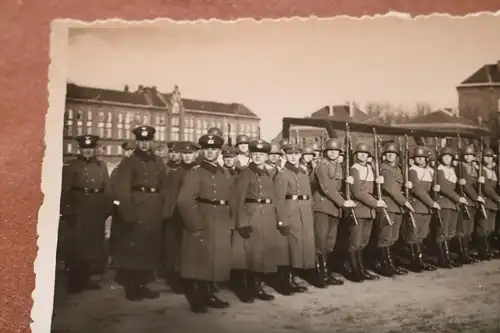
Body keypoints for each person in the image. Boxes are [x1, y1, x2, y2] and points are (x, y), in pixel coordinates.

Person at [176, 134, 234, 313]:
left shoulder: (224, 172)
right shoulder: (197, 172)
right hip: (203, 219)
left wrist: (229, 222)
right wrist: (196, 224)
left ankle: (208, 294)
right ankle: (197, 299)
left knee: (214, 259)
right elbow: (184, 201)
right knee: (199, 261)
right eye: (207, 149)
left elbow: (230, 198)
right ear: (202, 150)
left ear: (219, 151)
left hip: (220, 220)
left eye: (214, 149)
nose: (210, 152)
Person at [111, 126, 168, 301]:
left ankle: (142, 285)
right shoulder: (129, 162)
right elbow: (121, 190)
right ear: (137, 141)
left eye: (147, 141)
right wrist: (128, 214)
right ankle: (131, 287)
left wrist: (163, 210)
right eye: (141, 141)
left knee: (148, 250)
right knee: (133, 251)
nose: (144, 144)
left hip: (153, 211)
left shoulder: (158, 161)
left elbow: (164, 186)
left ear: (152, 141)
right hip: (136, 210)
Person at [60, 135, 112, 293]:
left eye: (90, 149)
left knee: (92, 244)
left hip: (96, 208)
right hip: (79, 208)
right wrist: (68, 211)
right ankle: (74, 281)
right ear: (80, 149)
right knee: (77, 246)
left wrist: (107, 208)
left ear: (94, 149)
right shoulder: (71, 166)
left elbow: (107, 188)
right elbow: (65, 190)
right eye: (85, 149)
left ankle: (86, 279)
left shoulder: (101, 166)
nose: (88, 152)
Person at [231, 139, 278, 303]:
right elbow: (238, 200)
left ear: (266, 156)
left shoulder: (269, 173)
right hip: (251, 217)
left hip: (266, 218)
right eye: (255, 154)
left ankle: (257, 287)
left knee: (260, 255)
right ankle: (245, 289)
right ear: (251, 155)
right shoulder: (245, 174)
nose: (258, 157)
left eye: (262, 154)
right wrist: (241, 222)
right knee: (247, 256)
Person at [274, 143, 316, 295]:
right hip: (290, 213)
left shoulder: (303, 173)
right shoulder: (282, 174)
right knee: (287, 249)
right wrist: (281, 220)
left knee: (298, 249)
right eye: (290, 154)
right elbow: (278, 200)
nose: (293, 156)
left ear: (300, 155)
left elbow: (309, 196)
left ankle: (291, 279)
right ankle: (283, 282)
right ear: (285, 155)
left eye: (296, 154)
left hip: (303, 213)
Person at [312, 138, 353, 287]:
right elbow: (327, 188)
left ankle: (327, 274)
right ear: (325, 152)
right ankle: (319, 276)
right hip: (322, 207)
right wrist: (344, 203)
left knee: (330, 243)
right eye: (330, 150)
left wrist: (348, 182)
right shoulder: (322, 166)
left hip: (334, 209)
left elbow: (339, 187)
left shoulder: (339, 167)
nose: (333, 153)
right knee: (320, 243)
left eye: (336, 151)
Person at [162, 141, 199, 293]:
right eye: (184, 153)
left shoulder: (200, 171)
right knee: (176, 249)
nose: (187, 156)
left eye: (190, 153)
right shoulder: (176, 173)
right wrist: (169, 215)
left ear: (196, 154)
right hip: (178, 216)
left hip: (197, 215)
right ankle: (176, 279)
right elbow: (170, 196)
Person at [373, 142, 412, 277]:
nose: (390, 155)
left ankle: (391, 264)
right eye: (387, 153)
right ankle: (385, 265)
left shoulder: (398, 169)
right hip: (389, 206)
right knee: (385, 236)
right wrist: (405, 202)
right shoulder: (384, 168)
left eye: (393, 153)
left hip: (397, 208)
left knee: (393, 237)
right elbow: (390, 188)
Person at [348, 143, 385, 282]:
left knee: (364, 241)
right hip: (359, 209)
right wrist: (375, 203)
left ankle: (361, 269)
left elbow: (375, 190)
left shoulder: (370, 168)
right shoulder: (354, 169)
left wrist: (379, 181)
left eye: (365, 153)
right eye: (360, 153)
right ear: (356, 155)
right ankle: (355, 270)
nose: (363, 155)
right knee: (355, 242)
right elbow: (357, 192)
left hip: (369, 211)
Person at [404, 146, 439, 272]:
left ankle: (420, 260)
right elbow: (418, 190)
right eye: (418, 157)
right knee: (414, 235)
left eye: (422, 157)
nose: (420, 159)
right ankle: (415, 262)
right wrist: (432, 203)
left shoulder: (430, 171)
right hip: (417, 206)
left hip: (426, 208)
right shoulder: (412, 171)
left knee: (422, 235)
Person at [435, 146, 465, 268]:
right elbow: (444, 187)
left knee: (450, 231)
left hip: (453, 205)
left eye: (449, 157)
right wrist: (458, 198)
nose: (447, 158)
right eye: (445, 156)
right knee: (443, 231)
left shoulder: (453, 170)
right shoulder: (440, 170)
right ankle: (443, 258)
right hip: (444, 203)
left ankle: (448, 257)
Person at [454, 145, 482, 264]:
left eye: (470, 155)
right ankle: (462, 253)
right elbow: (466, 186)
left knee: (469, 229)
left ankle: (466, 252)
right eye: (466, 155)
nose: (468, 157)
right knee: (463, 229)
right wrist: (477, 198)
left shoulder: (474, 168)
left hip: (472, 202)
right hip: (466, 200)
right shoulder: (461, 167)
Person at [476, 147, 500, 260]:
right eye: (486, 157)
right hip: (486, 202)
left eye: (490, 157)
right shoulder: (482, 170)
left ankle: (487, 249)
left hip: (493, 204)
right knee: (483, 227)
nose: (488, 159)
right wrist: (498, 198)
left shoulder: (493, 172)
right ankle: (482, 251)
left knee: (490, 228)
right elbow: (487, 189)